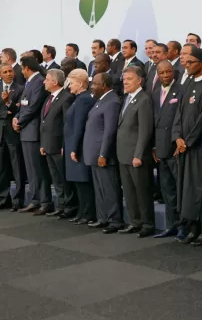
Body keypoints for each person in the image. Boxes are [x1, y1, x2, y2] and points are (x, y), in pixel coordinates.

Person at [174, 48, 202, 244]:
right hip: (183, 147)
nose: (186, 65)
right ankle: (191, 226)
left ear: (201, 63)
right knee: (187, 190)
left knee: (201, 189)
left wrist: (188, 141)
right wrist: (177, 137)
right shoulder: (188, 82)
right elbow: (179, 114)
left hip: (198, 148)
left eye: (190, 62)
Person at [117, 66, 156, 236]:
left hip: (136, 155)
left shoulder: (144, 99)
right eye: (124, 79)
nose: (125, 82)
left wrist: (138, 154)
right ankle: (135, 221)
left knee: (142, 192)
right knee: (130, 192)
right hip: (123, 154)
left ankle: (147, 224)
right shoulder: (127, 98)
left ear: (139, 80)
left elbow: (145, 130)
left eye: (129, 79)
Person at [84, 72, 124, 233]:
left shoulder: (112, 102)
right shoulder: (100, 101)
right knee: (99, 188)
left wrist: (103, 154)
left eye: (95, 83)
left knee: (109, 188)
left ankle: (115, 220)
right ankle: (103, 218)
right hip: (94, 152)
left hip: (103, 154)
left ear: (104, 85)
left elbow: (109, 131)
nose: (92, 86)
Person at [15, 55, 51, 213]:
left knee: (38, 169)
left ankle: (45, 201)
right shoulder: (30, 83)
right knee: (31, 170)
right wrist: (16, 118)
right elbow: (23, 104)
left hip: (33, 131)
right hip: (26, 130)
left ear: (27, 68)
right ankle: (35, 199)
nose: (21, 72)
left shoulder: (38, 82)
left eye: (22, 68)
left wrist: (20, 121)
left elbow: (33, 106)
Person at [152, 59, 182, 237]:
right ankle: (171, 225)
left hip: (175, 148)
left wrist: (179, 140)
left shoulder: (181, 90)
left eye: (168, 72)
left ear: (173, 72)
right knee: (167, 190)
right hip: (160, 149)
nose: (165, 75)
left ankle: (183, 226)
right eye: (161, 73)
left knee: (179, 189)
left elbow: (182, 119)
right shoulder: (155, 92)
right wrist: (154, 145)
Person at [38, 69, 74, 218]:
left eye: (46, 79)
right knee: (56, 179)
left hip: (59, 145)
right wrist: (42, 144)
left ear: (55, 81)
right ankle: (61, 204)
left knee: (64, 177)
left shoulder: (66, 98)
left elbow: (67, 124)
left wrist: (64, 145)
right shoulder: (49, 98)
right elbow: (45, 122)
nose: (44, 81)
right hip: (48, 144)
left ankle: (70, 206)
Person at [0, 64, 25, 210]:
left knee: (17, 168)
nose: (9, 74)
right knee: (0, 169)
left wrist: (9, 104)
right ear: (0, 74)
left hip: (13, 134)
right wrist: (5, 113)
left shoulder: (21, 89)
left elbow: (19, 109)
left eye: (11, 71)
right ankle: (3, 199)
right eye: (5, 72)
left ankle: (18, 200)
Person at [65, 70, 96, 224]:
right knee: (78, 181)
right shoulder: (78, 99)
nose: (69, 86)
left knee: (83, 181)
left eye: (71, 83)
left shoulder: (83, 100)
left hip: (79, 147)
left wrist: (74, 148)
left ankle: (88, 213)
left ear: (80, 83)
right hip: (73, 144)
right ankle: (82, 211)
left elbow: (79, 126)